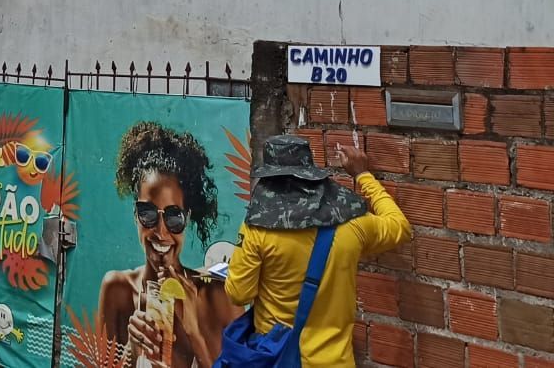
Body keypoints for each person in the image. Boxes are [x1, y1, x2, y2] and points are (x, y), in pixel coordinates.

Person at [224, 136, 412, 368]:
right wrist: (363, 175)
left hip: (278, 357)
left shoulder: (257, 229)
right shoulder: (353, 224)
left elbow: (238, 294)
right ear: (311, 175)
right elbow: (400, 227)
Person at [100, 121, 241, 368]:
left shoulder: (216, 294)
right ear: (135, 215)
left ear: (188, 217)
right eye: (148, 214)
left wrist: (194, 329)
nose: (161, 232)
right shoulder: (118, 290)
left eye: (174, 216)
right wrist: (131, 353)